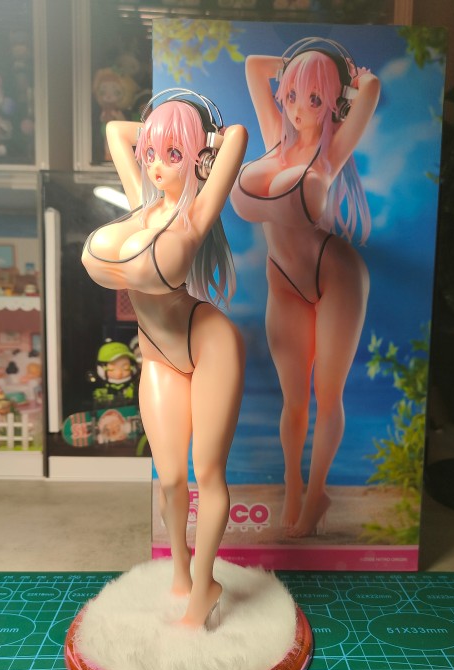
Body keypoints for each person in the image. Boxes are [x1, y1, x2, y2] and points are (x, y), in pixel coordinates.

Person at [82, 90, 247, 628]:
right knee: (172, 477)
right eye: (151, 153)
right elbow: (116, 131)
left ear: (198, 158)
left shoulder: (196, 213)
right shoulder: (141, 202)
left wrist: (199, 136)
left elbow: (237, 137)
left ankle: (204, 587)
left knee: (208, 473)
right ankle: (180, 571)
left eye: (172, 155)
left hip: (208, 342)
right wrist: (161, 130)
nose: (155, 165)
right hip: (158, 357)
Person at [231, 40, 380, 537]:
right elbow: (254, 65)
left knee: (327, 394)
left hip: (335, 274)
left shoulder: (331, 151)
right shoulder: (275, 134)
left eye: (314, 99)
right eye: (293, 94)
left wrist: (343, 75)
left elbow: (371, 87)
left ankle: (316, 495)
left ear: (333, 102)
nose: (298, 108)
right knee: (293, 399)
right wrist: (303, 67)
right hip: (283, 280)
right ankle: (293, 487)